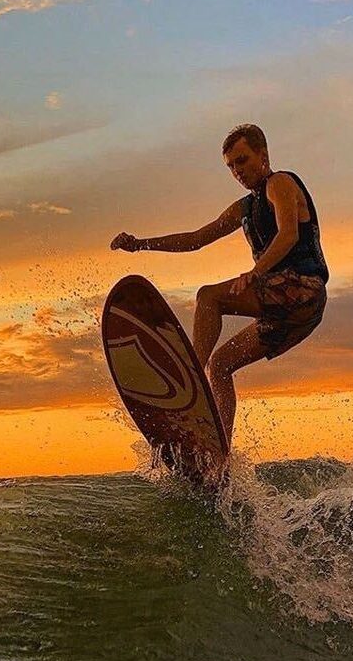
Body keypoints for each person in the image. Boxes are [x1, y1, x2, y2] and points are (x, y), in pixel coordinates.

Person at [110, 123, 329, 446]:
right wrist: (140, 244)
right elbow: (197, 239)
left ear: (263, 155)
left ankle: (190, 381)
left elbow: (288, 234)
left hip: (303, 289)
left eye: (242, 161)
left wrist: (256, 272)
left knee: (209, 297)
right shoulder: (244, 208)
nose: (237, 171)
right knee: (222, 364)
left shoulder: (280, 183)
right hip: (288, 313)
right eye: (230, 166)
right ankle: (220, 452)